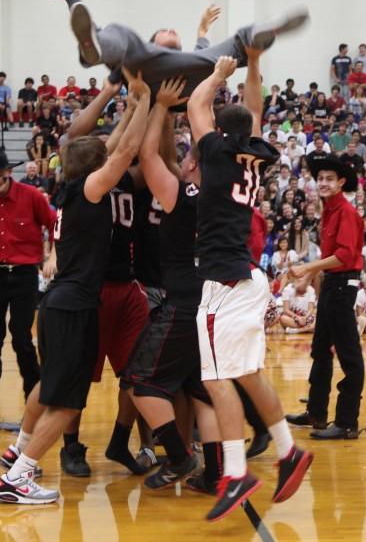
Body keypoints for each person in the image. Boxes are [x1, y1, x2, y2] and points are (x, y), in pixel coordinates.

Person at [0, 69, 150, 505]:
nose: (110, 153)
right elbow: (127, 148)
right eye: (104, 155)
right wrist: (145, 98)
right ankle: (19, 477)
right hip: (74, 304)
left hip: (60, 303)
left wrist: (133, 104)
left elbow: (114, 145)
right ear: (96, 167)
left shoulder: (71, 188)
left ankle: (17, 451)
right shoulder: (92, 189)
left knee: (51, 386)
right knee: (67, 401)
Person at [188, 54, 312, 521]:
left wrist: (219, 74)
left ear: (219, 133)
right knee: (246, 375)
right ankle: (288, 451)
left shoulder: (216, 151)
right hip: (249, 275)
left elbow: (197, 106)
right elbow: (254, 108)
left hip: (224, 279)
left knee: (215, 378)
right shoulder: (253, 153)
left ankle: (236, 471)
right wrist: (254, 64)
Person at [118, 76, 223, 492]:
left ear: (193, 164)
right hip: (214, 301)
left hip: (182, 300)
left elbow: (146, 156)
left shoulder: (180, 192)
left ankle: (180, 458)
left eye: (185, 158)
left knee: (140, 383)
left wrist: (160, 105)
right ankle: (215, 475)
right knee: (201, 389)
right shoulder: (227, 193)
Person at [52, 0, 308, 100]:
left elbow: (203, 44)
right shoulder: (142, 50)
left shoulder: (190, 57)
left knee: (238, 40)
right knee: (120, 33)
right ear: (154, 42)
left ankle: (261, 34)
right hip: (146, 75)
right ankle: (93, 48)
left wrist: (203, 28)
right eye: (165, 30)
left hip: (195, 77)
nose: (172, 29)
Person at [0, 148, 56, 431]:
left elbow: (55, 225)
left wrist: (53, 256)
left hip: (25, 275)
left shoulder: (31, 197)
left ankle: (36, 403)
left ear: (9, 172)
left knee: (22, 340)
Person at [285, 150, 364, 440]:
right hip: (332, 284)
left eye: (330, 179)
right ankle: (317, 413)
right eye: (320, 178)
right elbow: (331, 257)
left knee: (349, 356)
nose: (323, 183)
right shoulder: (329, 211)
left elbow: (344, 256)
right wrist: (310, 276)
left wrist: (308, 266)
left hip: (344, 286)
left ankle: (347, 422)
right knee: (320, 350)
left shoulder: (347, 213)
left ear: (342, 182)